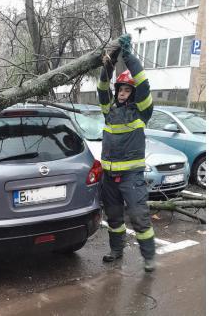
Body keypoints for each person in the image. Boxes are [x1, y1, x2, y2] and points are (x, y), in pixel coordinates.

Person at [97, 34, 155, 272]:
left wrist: (128, 56)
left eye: (126, 90)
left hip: (131, 177)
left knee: (140, 218)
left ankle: (149, 258)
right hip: (109, 177)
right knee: (114, 219)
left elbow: (143, 82)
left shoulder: (142, 112)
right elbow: (102, 86)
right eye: (120, 89)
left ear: (133, 94)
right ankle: (116, 250)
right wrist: (110, 61)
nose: (121, 93)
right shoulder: (108, 111)